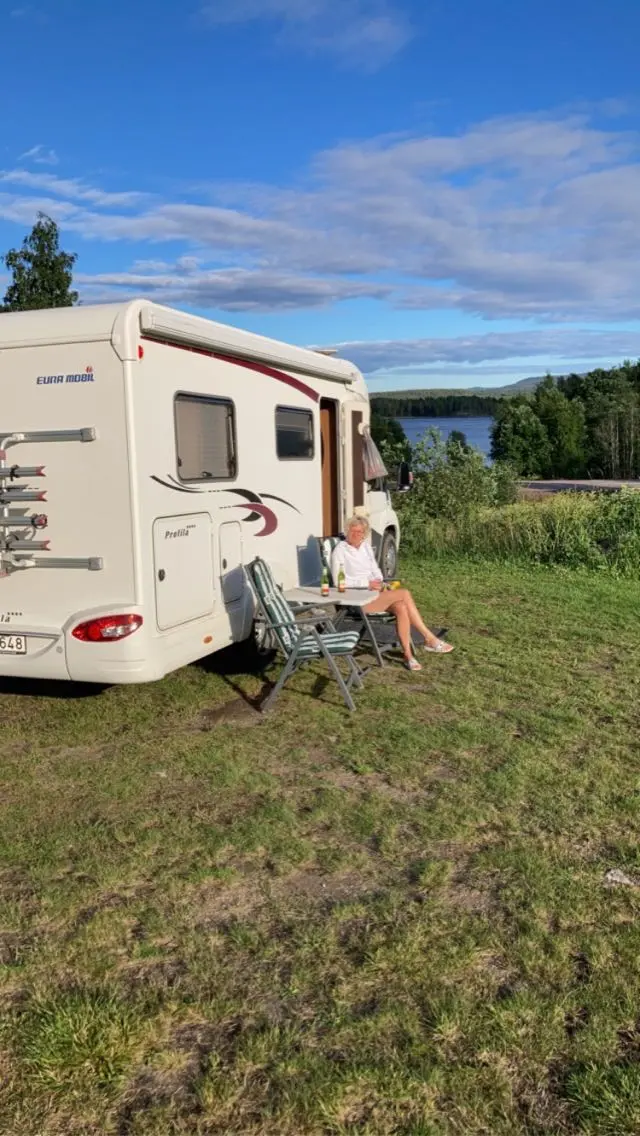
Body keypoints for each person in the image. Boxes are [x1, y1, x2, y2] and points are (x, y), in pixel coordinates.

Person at [331, 516, 453, 672]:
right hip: (355, 599)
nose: (356, 534)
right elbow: (338, 581)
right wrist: (366, 584)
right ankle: (429, 638)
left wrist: (379, 583)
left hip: (373, 593)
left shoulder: (366, 547)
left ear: (364, 533)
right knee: (404, 593)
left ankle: (408, 655)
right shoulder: (340, 550)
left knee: (401, 606)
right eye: (353, 531)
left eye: (360, 532)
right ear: (347, 531)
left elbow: (376, 571)